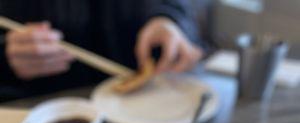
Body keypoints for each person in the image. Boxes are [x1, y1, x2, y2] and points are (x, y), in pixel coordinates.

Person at [0, 0, 206, 101]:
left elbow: (178, 5)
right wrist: (6, 58)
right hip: (43, 106)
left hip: (149, 98)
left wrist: (170, 20)